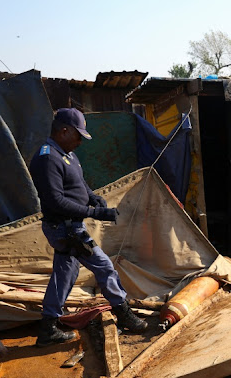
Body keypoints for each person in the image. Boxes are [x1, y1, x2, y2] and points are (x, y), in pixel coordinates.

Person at [29, 108, 147, 347]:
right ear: (64, 131)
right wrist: (96, 213)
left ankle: (48, 328)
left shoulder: (67, 154)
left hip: (69, 225)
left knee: (64, 275)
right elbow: (56, 201)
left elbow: (78, 182)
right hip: (65, 228)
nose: (81, 140)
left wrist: (92, 197)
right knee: (103, 266)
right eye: (78, 135)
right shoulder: (47, 157)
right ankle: (124, 315)